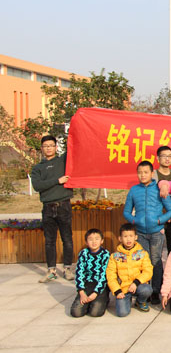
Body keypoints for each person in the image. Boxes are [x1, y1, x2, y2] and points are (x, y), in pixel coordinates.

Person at [124, 160, 171, 305]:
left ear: (152, 173)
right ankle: (144, 290)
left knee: (156, 261)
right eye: (140, 172)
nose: (143, 175)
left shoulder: (159, 189)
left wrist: (160, 221)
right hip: (140, 233)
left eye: (146, 172)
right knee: (143, 262)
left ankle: (156, 291)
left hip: (156, 232)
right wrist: (135, 221)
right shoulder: (134, 190)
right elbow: (126, 212)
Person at [31, 135, 74, 282]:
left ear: (56, 147)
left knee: (67, 238)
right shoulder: (38, 168)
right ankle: (51, 270)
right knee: (49, 240)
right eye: (46, 146)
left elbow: (74, 147)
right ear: (42, 149)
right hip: (48, 207)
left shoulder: (63, 161)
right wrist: (57, 181)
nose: (48, 148)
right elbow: (37, 186)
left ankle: (67, 269)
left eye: (51, 145)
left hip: (63, 205)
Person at [106, 223, 154, 317]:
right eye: (125, 236)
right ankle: (126, 299)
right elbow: (110, 275)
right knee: (122, 313)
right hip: (124, 288)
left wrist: (136, 283)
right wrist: (117, 291)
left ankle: (140, 301)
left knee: (147, 290)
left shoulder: (142, 253)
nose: (128, 239)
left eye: (131, 236)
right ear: (120, 238)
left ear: (136, 237)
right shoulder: (115, 256)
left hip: (138, 285)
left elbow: (148, 271)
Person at [70, 228, 111, 317]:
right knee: (76, 313)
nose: (94, 242)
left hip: (101, 285)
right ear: (86, 242)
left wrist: (95, 293)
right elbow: (79, 273)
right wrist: (81, 293)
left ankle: (104, 299)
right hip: (87, 284)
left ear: (102, 241)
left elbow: (104, 276)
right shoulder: (83, 253)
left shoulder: (106, 254)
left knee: (95, 312)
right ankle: (88, 303)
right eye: (90, 239)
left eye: (97, 239)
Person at [152, 145, 171, 253]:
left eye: (169, 156)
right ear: (158, 158)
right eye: (164, 156)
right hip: (157, 217)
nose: (167, 159)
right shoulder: (153, 175)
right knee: (155, 249)